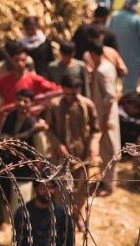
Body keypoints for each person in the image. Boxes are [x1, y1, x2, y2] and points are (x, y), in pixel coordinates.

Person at [44, 71, 96, 220]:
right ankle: (60, 218)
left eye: (74, 94)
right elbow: (49, 129)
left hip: (82, 155)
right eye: (67, 93)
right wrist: (58, 145)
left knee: (81, 187)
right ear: (62, 89)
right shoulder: (54, 105)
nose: (70, 97)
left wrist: (93, 146)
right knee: (60, 187)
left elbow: (96, 129)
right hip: (61, 155)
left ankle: (76, 216)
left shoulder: (87, 105)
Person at [84, 42, 121, 197]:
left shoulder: (103, 70)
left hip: (107, 117)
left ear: (93, 54)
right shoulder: (106, 66)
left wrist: (104, 118)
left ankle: (109, 185)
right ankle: (105, 180)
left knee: (108, 150)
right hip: (105, 115)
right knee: (106, 150)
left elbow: (109, 96)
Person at [0, 43, 62, 109]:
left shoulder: (34, 79)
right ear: (11, 60)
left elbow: (58, 90)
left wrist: (42, 105)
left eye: (23, 60)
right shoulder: (4, 80)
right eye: (17, 60)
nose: (20, 64)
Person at [12, 170, 75, 246]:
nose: (48, 191)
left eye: (51, 187)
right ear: (35, 189)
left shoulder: (62, 213)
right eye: (43, 188)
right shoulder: (23, 212)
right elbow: (18, 240)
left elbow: (69, 240)